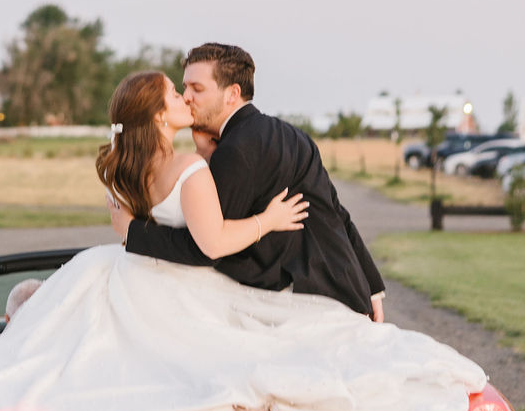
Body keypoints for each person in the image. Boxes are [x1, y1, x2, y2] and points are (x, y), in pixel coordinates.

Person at [113, 43, 386, 321]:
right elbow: (336, 212)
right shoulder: (291, 134)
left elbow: (207, 248)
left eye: (197, 88)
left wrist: (132, 232)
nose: (187, 97)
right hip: (345, 288)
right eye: (184, 88)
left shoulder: (235, 150)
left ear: (232, 93)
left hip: (308, 302)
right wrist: (371, 285)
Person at [95, 70, 310, 257]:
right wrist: (269, 220)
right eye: (176, 94)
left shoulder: (120, 170)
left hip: (138, 267)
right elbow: (215, 244)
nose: (186, 99)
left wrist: (204, 151)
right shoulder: (189, 167)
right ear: (160, 116)